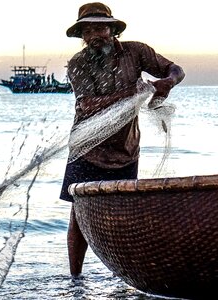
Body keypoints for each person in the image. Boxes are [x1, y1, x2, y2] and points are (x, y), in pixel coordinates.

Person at [59, 2, 185, 278]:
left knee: (124, 213)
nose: (94, 35)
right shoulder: (78, 64)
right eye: (87, 30)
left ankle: (126, 275)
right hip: (85, 148)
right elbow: (87, 106)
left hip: (126, 149)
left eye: (100, 28)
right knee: (79, 215)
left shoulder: (136, 51)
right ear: (81, 37)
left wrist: (168, 83)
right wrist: (135, 91)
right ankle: (75, 278)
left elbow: (175, 69)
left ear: (113, 30)